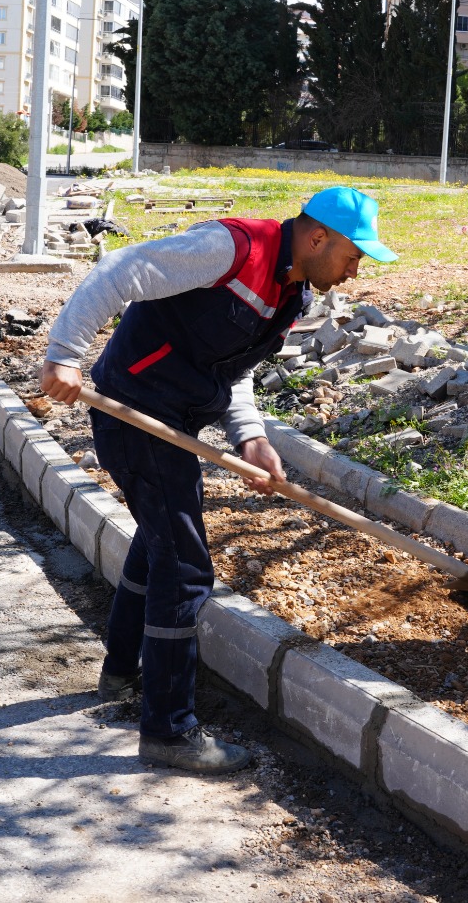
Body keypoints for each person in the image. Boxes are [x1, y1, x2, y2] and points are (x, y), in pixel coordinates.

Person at [39, 186, 397, 773]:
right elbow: (119, 271)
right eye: (354, 256)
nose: (356, 272)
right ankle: (169, 731)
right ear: (317, 237)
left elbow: (231, 366)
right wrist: (64, 352)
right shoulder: (228, 249)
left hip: (172, 418)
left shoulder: (291, 293)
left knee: (162, 547)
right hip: (132, 412)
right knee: (185, 566)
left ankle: (122, 671)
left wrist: (250, 437)